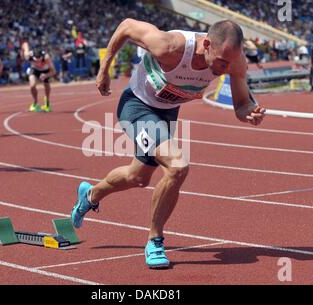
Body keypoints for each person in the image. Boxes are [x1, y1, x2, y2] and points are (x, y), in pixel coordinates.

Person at [71, 19, 266, 269]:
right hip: (137, 107)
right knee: (177, 166)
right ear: (206, 44)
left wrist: (249, 113)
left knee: (137, 177)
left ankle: (89, 195)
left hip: (166, 113)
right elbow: (126, 26)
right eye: (221, 61)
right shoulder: (171, 47)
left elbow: (240, 104)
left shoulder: (235, 60)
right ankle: (155, 240)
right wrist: (104, 70)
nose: (225, 68)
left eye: (230, 62)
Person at [21, 41, 56, 112]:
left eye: (39, 60)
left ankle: (47, 102)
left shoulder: (46, 57)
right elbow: (25, 44)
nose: (38, 62)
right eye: (36, 60)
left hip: (45, 70)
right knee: (32, 85)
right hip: (34, 69)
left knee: (46, 85)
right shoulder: (28, 55)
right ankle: (35, 102)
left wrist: (46, 75)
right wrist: (22, 52)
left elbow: (54, 71)